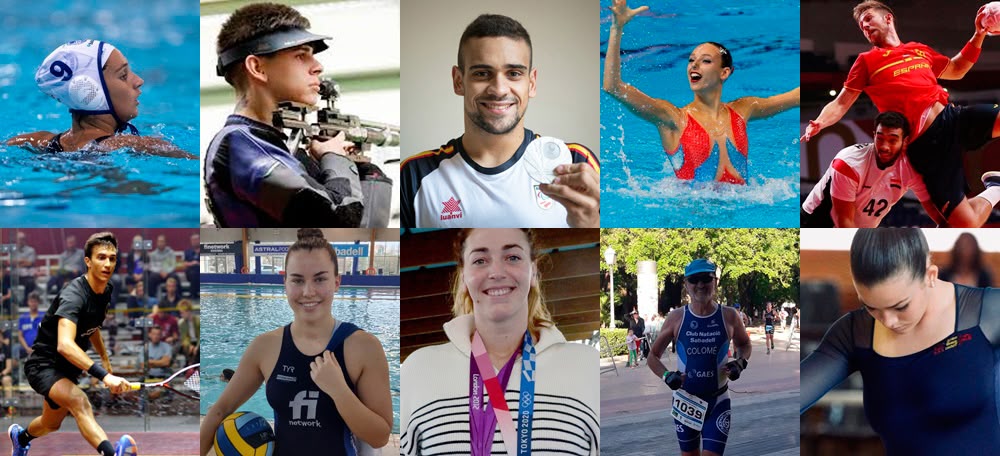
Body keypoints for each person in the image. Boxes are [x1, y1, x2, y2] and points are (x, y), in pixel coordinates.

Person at [801, 229, 1000, 455]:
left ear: (930, 276)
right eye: (871, 307)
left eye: (901, 306)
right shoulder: (855, 333)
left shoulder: (989, 313)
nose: (889, 321)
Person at [801, 1, 1000, 227]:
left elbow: (957, 69)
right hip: (927, 146)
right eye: (860, 25)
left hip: (953, 118)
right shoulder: (866, 61)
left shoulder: (919, 49)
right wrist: (819, 122)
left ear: (888, 18)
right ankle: (996, 188)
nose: (864, 26)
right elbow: (841, 103)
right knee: (967, 225)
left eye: (868, 18)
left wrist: (979, 34)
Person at [401, 229, 599, 455]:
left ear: (533, 272)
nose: (496, 272)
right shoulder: (419, 369)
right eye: (480, 260)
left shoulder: (586, 366)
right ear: (464, 277)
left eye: (512, 257)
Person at [200, 228, 392, 455]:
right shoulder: (265, 347)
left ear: (337, 282)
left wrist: (339, 391)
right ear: (285, 283)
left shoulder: (363, 347)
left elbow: (379, 437)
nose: (308, 291)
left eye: (320, 279)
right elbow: (220, 411)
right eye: (298, 280)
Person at [401, 14, 601, 228]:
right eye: (482, 73)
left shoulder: (574, 162)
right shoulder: (415, 175)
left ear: (531, 83)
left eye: (514, 73)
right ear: (459, 81)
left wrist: (591, 225)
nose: (499, 89)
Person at [205, 3, 370, 228]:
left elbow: (365, 229)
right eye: (301, 56)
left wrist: (367, 171)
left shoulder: (273, 143)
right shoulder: (238, 143)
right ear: (257, 68)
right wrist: (336, 159)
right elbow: (338, 219)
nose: (318, 67)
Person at [604, 0, 800, 185]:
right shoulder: (673, 118)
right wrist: (616, 28)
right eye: (691, 60)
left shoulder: (744, 109)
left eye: (705, 61)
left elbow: (794, 97)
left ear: (725, 72)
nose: (694, 65)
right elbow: (613, 87)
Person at [7, 232, 135, 456]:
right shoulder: (74, 296)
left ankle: (21, 437)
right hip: (44, 365)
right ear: (88, 261)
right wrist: (104, 376)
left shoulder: (106, 290)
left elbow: (93, 326)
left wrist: (105, 361)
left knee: (50, 423)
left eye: (112, 258)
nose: (107, 264)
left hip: (68, 369)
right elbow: (64, 345)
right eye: (101, 257)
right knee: (80, 403)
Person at [6, 40, 193, 159]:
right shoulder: (135, 145)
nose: (138, 81)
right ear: (88, 91)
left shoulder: (33, 141)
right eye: (123, 75)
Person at [648, 258, 752, 456]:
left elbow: (745, 344)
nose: (700, 285)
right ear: (686, 285)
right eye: (694, 280)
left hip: (718, 401)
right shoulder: (676, 318)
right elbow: (652, 356)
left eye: (706, 278)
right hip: (686, 402)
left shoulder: (729, 316)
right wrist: (667, 376)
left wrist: (741, 362)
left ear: (715, 282)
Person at [802, 111, 944, 227]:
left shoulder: (910, 167)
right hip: (818, 222)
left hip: (859, 229)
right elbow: (844, 222)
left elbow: (935, 211)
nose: (884, 146)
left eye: (893, 140)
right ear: (874, 135)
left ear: (905, 142)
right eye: (880, 138)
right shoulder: (849, 163)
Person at [17, 292, 45, 360]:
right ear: (28, 302)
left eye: (35, 301)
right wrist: (27, 348)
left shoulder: (43, 316)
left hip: (40, 348)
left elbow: (45, 334)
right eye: (31, 301)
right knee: (15, 350)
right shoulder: (23, 317)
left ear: (38, 302)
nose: (33, 304)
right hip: (25, 349)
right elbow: (20, 336)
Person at [177, 299, 200, 365]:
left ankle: (194, 366)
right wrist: (189, 345)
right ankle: (189, 365)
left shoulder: (198, 321)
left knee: (199, 350)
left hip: (198, 342)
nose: (181, 315)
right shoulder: (181, 323)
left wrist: (196, 347)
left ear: (188, 311)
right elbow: (184, 338)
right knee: (184, 347)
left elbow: (200, 336)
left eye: (182, 313)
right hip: (190, 342)